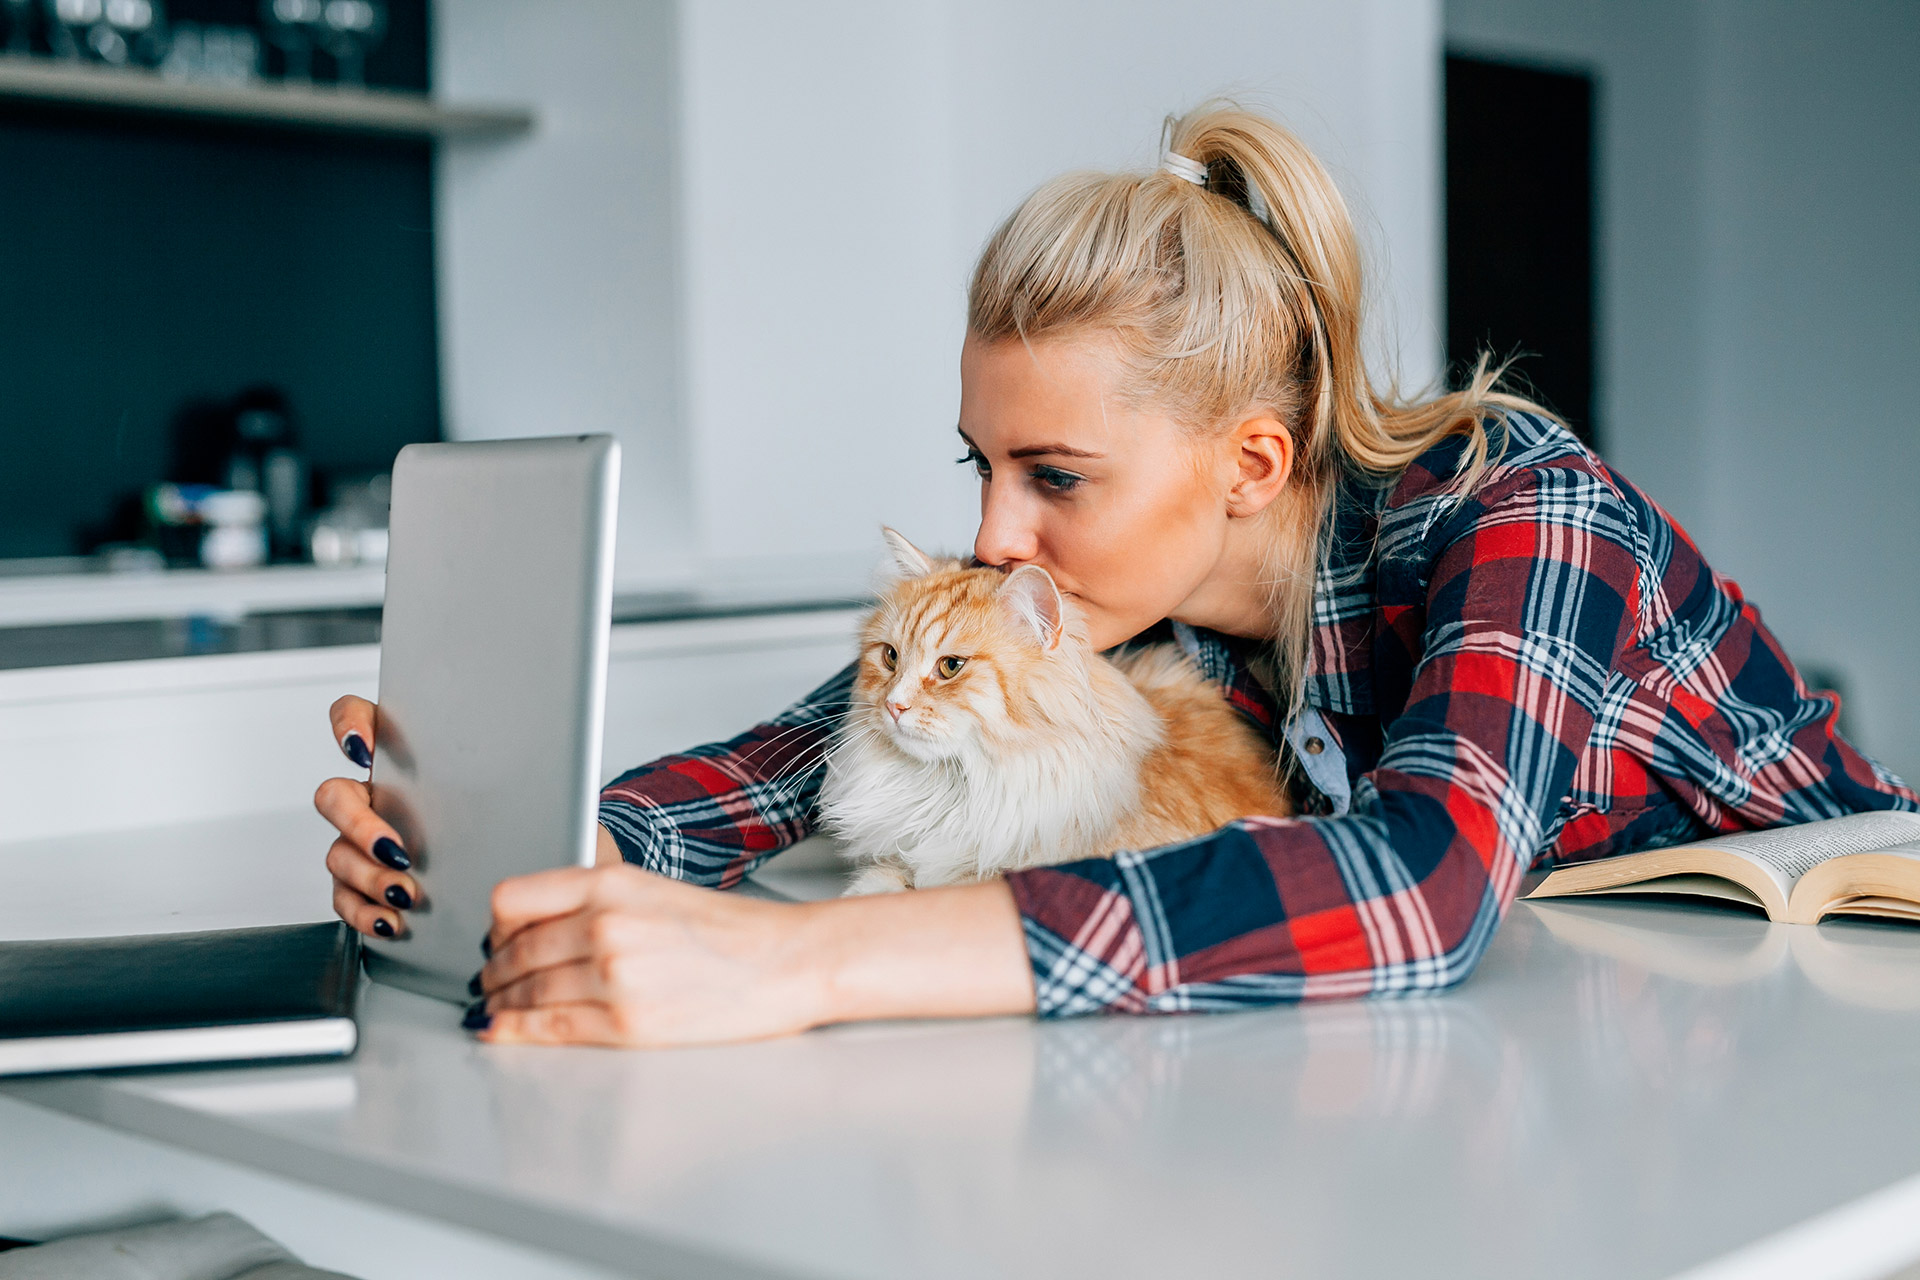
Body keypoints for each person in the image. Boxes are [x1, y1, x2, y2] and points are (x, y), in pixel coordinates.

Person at [315, 106, 1916, 1047]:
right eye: (983, 466)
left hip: (1838, 1023)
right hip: (1581, 1030)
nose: (998, 534)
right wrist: (534, 852)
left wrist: (799, 964)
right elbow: (811, 754)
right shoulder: (1130, 601)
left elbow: (1422, 888)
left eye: (1056, 478)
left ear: (1250, 466)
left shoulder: (1524, 513)